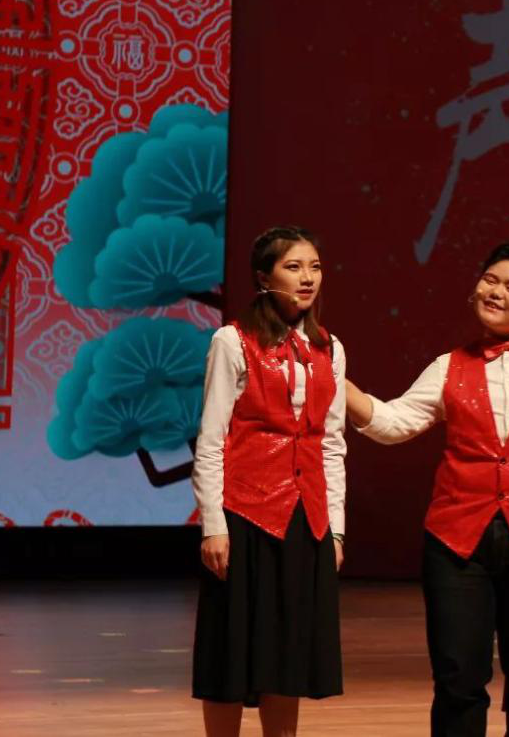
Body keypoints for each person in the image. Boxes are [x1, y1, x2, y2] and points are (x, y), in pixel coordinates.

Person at [344, 238, 509, 737]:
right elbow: (393, 422)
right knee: (458, 681)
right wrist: (335, 381)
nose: (495, 292)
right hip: (456, 542)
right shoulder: (449, 365)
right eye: (489, 280)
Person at [191, 225, 346, 737]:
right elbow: (212, 438)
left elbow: (331, 444)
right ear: (263, 277)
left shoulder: (330, 348)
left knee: (288, 654)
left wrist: (336, 529)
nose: (308, 278)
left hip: (306, 518)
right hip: (245, 515)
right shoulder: (232, 342)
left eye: (314, 267)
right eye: (294, 267)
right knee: (230, 654)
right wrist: (213, 525)